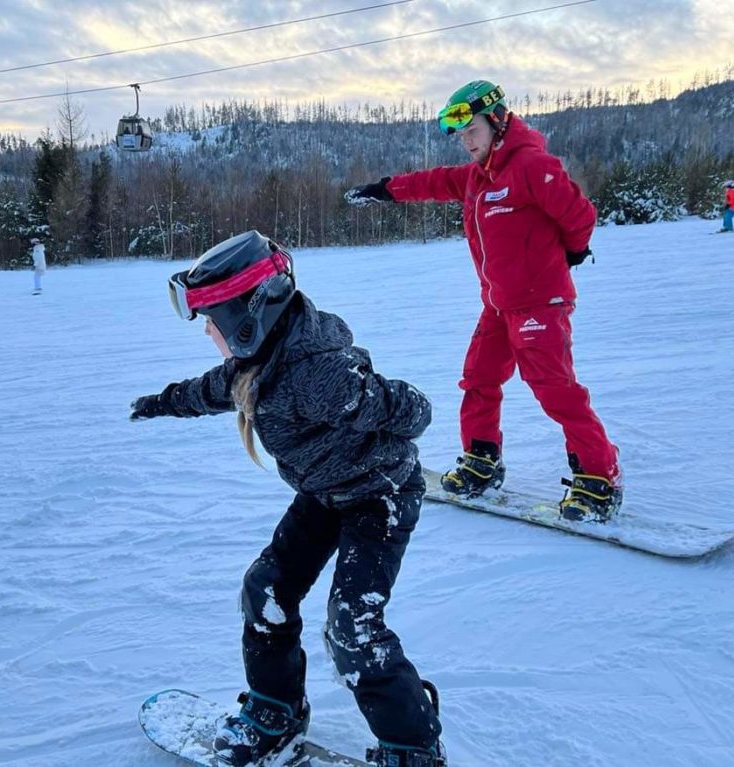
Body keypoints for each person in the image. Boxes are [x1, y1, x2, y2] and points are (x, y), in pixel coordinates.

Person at [129, 230, 445, 767]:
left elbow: (411, 410)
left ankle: (413, 747)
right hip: (324, 493)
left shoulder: (319, 376)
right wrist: (161, 402)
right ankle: (276, 708)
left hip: (378, 495)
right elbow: (210, 391)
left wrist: (397, 408)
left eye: (210, 317)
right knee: (266, 589)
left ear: (245, 317)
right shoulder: (256, 363)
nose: (206, 329)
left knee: (353, 626)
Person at [345, 79, 621, 522]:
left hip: (537, 303)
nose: (465, 142)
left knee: (555, 389)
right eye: (460, 135)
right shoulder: (478, 175)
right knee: (478, 378)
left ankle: (599, 476)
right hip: (498, 304)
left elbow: (580, 215)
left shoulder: (530, 165)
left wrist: (569, 254)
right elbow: (431, 182)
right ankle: (481, 459)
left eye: (471, 130)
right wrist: (384, 188)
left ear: (496, 120)